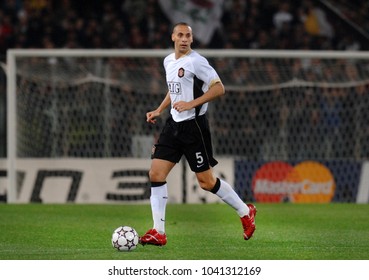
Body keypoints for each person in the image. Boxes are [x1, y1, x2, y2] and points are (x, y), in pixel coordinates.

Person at [140, 22, 256, 246]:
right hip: (173, 124)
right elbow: (174, 88)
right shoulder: (168, 61)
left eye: (188, 36)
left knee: (206, 182)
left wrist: (191, 103)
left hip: (194, 127)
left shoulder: (197, 61)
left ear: (192, 39)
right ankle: (158, 231)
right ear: (173, 36)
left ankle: (245, 211)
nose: (184, 39)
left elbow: (219, 88)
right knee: (155, 174)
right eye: (180, 35)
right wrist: (160, 109)